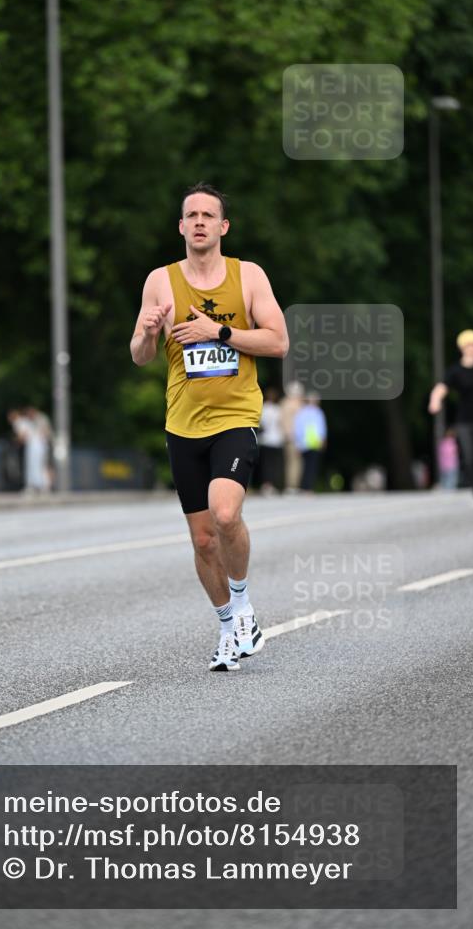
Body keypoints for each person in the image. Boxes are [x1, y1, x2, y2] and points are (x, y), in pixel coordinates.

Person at [130, 182, 288, 672]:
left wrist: (217, 330)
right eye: (190, 214)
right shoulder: (160, 281)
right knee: (202, 540)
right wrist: (147, 331)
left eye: (208, 215)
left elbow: (278, 341)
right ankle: (231, 624)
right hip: (182, 424)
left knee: (225, 514)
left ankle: (241, 603)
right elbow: (140, 357)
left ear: (223, 227)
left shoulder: (248, 276)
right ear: (181, 226)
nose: (199, 221)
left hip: (235, 416)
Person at [428, 329, 473, 495]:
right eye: (470, 345)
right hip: (464, 420)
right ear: (462, 348)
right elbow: (441, 387)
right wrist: (435, 400)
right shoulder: (456, 371)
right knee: (469, 457)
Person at [8, 405, 52, 493]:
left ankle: (37, 485)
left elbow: (24, 435)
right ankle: (39, 485)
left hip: (35, 445)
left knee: (34, 465)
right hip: (37, 444)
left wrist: (16, 441)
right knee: (38, 465)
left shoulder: (19, 422)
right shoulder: (27, 421)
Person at [293, 392, 327, 493]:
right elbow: (321, 428)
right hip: (310, 443)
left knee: (307, 466)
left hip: (308, 443)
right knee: (309, 466)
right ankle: (307, 487)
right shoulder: (317, 412)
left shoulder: (303, 412)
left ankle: (306, 487)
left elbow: (298, 428)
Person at [257, 386, 285, 494]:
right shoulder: (278, 409)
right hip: (276, 440)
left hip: (265, 440)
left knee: (266, 464)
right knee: (274, 465)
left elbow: (260, 424)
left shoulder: (263, 408)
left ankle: (266, 485)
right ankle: (272, 484)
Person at [279, 380, 304, 492]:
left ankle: (294, 485)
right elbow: (284, 421)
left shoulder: (287, 403)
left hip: (297, 437)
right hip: (292, 437)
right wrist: (288, 434)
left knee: (295, 462)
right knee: (293, 462)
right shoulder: (291, 404)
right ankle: (292, 486)